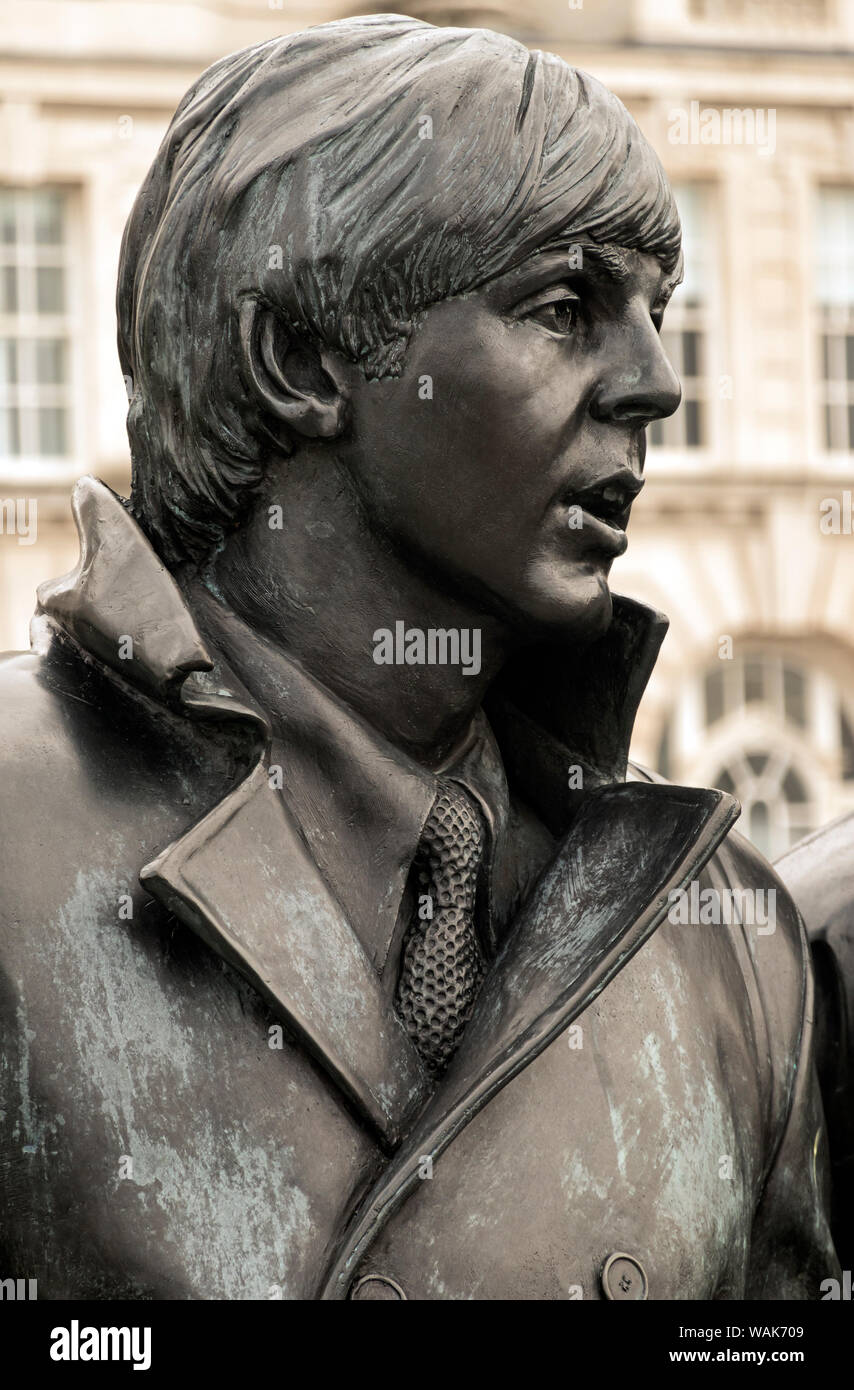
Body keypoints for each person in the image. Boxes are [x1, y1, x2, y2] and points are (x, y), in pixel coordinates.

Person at [0, 15, 839, 1299]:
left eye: (655, 312)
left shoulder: (725, 945)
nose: (656, 382)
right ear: (302, 361)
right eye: (564, 308)